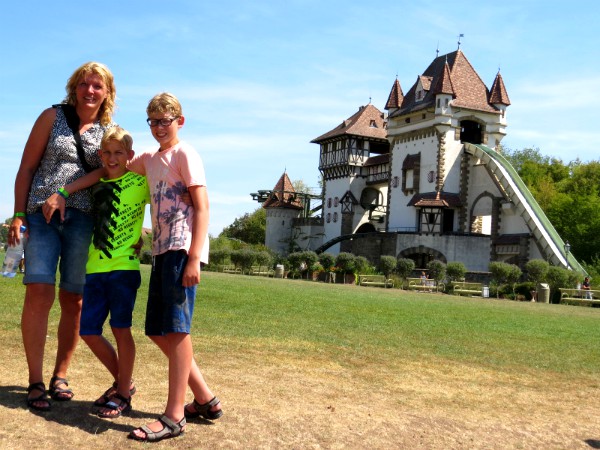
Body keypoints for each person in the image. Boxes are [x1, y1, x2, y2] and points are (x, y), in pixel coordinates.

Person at [8, 62, 116, 412]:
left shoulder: (110, 133)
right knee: (39, 292)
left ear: (107, 92)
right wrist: (19, 215)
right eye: (84, 84)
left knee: (74, 300)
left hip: (83, 221)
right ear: (74, 87)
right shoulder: (51, 117)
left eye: (97, 86)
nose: (90, 91)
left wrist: (66, 192)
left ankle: (60, 376)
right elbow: (26, 167)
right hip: (41, 216)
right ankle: (36, 380)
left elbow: (110, 171)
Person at [127, 93, 221, 442]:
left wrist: (196, 257)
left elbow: (203, 207)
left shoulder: (186, 153)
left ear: (180, 121)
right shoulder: (151, 159)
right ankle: (205, 398)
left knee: (178, 330)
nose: (158, 127)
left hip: (182, 250)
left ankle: (174, 415)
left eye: (165, 120)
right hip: (161, 251)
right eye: (152, 121)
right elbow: (117, 160)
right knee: (156, 329)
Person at [73, 126, 149, 418]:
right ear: (99, 154)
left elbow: (163, 200)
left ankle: (123, 395)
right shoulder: (97, 183)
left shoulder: (140, 182)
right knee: (89, 331)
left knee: (120, 328)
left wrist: (146, 236)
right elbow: (93, 176)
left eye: (119, 152)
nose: (112, 157)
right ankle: (124, 384)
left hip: (124, 269)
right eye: (107, 152)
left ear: (129, 156)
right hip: (95, 269)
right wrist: (63, 191)